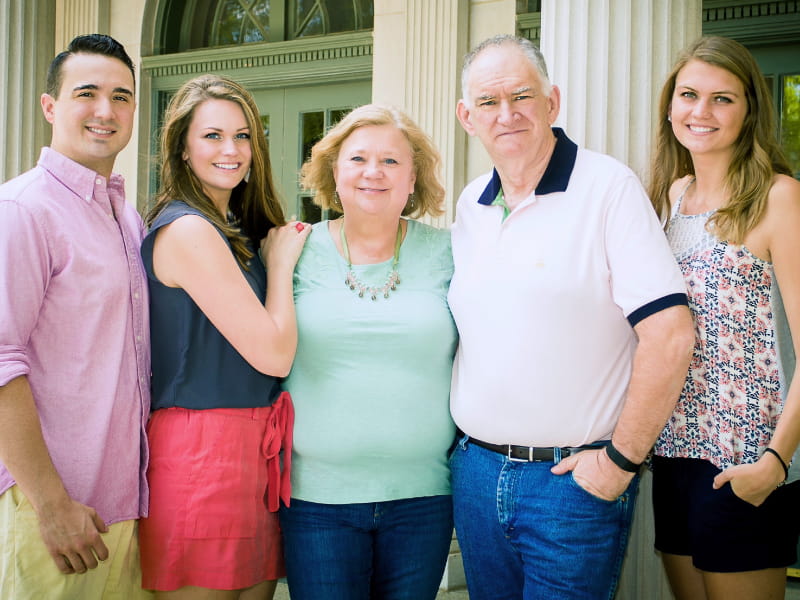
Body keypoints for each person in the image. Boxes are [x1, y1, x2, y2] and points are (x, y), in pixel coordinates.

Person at [448, 34, 696, 600]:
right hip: (476, 474)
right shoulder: (470, 205)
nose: (506, 114)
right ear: (467, 116)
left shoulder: (609, 188)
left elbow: (670, 334)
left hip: (569, 485)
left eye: (522, 96)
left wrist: (620, 462)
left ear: (553, 102)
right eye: (488, 102)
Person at [137, 74, 309, 599]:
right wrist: (281, 267)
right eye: (212, 135)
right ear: (183, 148)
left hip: (256, 451)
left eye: (242, 136)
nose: (231, 150)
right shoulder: (188, 230)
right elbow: (275, 353)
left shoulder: (234, 226)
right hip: (200, 451)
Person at [278, 104, 457, 600]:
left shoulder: (452, 252)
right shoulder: (291, 251)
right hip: (317, 501)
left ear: (413, 177)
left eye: (391, 161)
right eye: (357, 159)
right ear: (334, 172)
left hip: (423, 498)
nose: (373, 172)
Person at [648, 36, 800, 600]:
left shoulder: (779, 198)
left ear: (749, 111)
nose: (701, 112)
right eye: (689, 95)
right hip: (675, 454)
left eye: (723, 99)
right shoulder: (668, 197)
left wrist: (776, 461)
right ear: (670, 107)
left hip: (749, 458)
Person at [0, 34, 152, 599]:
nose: (105, 111)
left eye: (121, 96)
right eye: (86, 93)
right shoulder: (23, 210)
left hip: (121, 512)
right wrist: (51, 504)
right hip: (55, 515)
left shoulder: (124, 215)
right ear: (49, 106)